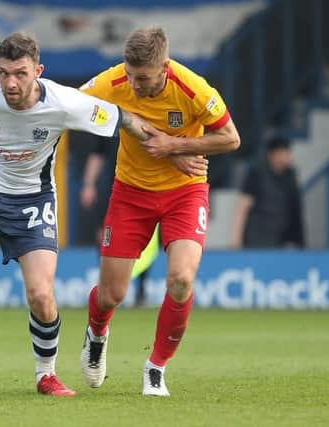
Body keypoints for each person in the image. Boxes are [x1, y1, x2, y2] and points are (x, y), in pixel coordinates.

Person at [0, 32, 153, 396]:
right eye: (3, 73)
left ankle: (45, 375)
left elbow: (125, 119)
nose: (10, 83)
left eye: (20, 73)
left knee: (41, 295)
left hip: (31, 200)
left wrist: (175, 147)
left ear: (39, 71)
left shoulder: (66, 103)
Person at [78, 26, 241, 396]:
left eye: (144, 78)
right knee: (110, 295)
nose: (134, 85)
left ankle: (156, 368)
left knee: (181, 280)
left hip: (185, 194)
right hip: (130, 194)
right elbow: (67, 105)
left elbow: (231, 138)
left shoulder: (194, 89)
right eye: (130, 75)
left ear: (165, 67)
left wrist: (176, 146)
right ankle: (97, 333)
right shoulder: (113, 80)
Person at [79, 136, 159, 307]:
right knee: (104, 236)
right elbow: (97, 153)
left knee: (146, 240)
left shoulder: (150, 115)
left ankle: (141, 291)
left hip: (145, 186)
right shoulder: (111, 115)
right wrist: (89, 184)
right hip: (112, 186)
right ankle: (105, 286)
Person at [231, 137, 304, 248]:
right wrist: (236, 240)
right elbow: (243, 207)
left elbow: (295, 211)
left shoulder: (290, 177)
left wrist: (297, 240)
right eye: (283, 153)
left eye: (288, 153)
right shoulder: (257, 174)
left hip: (280, 241)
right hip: (256, 240)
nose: (287, 157)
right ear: (273, 154)